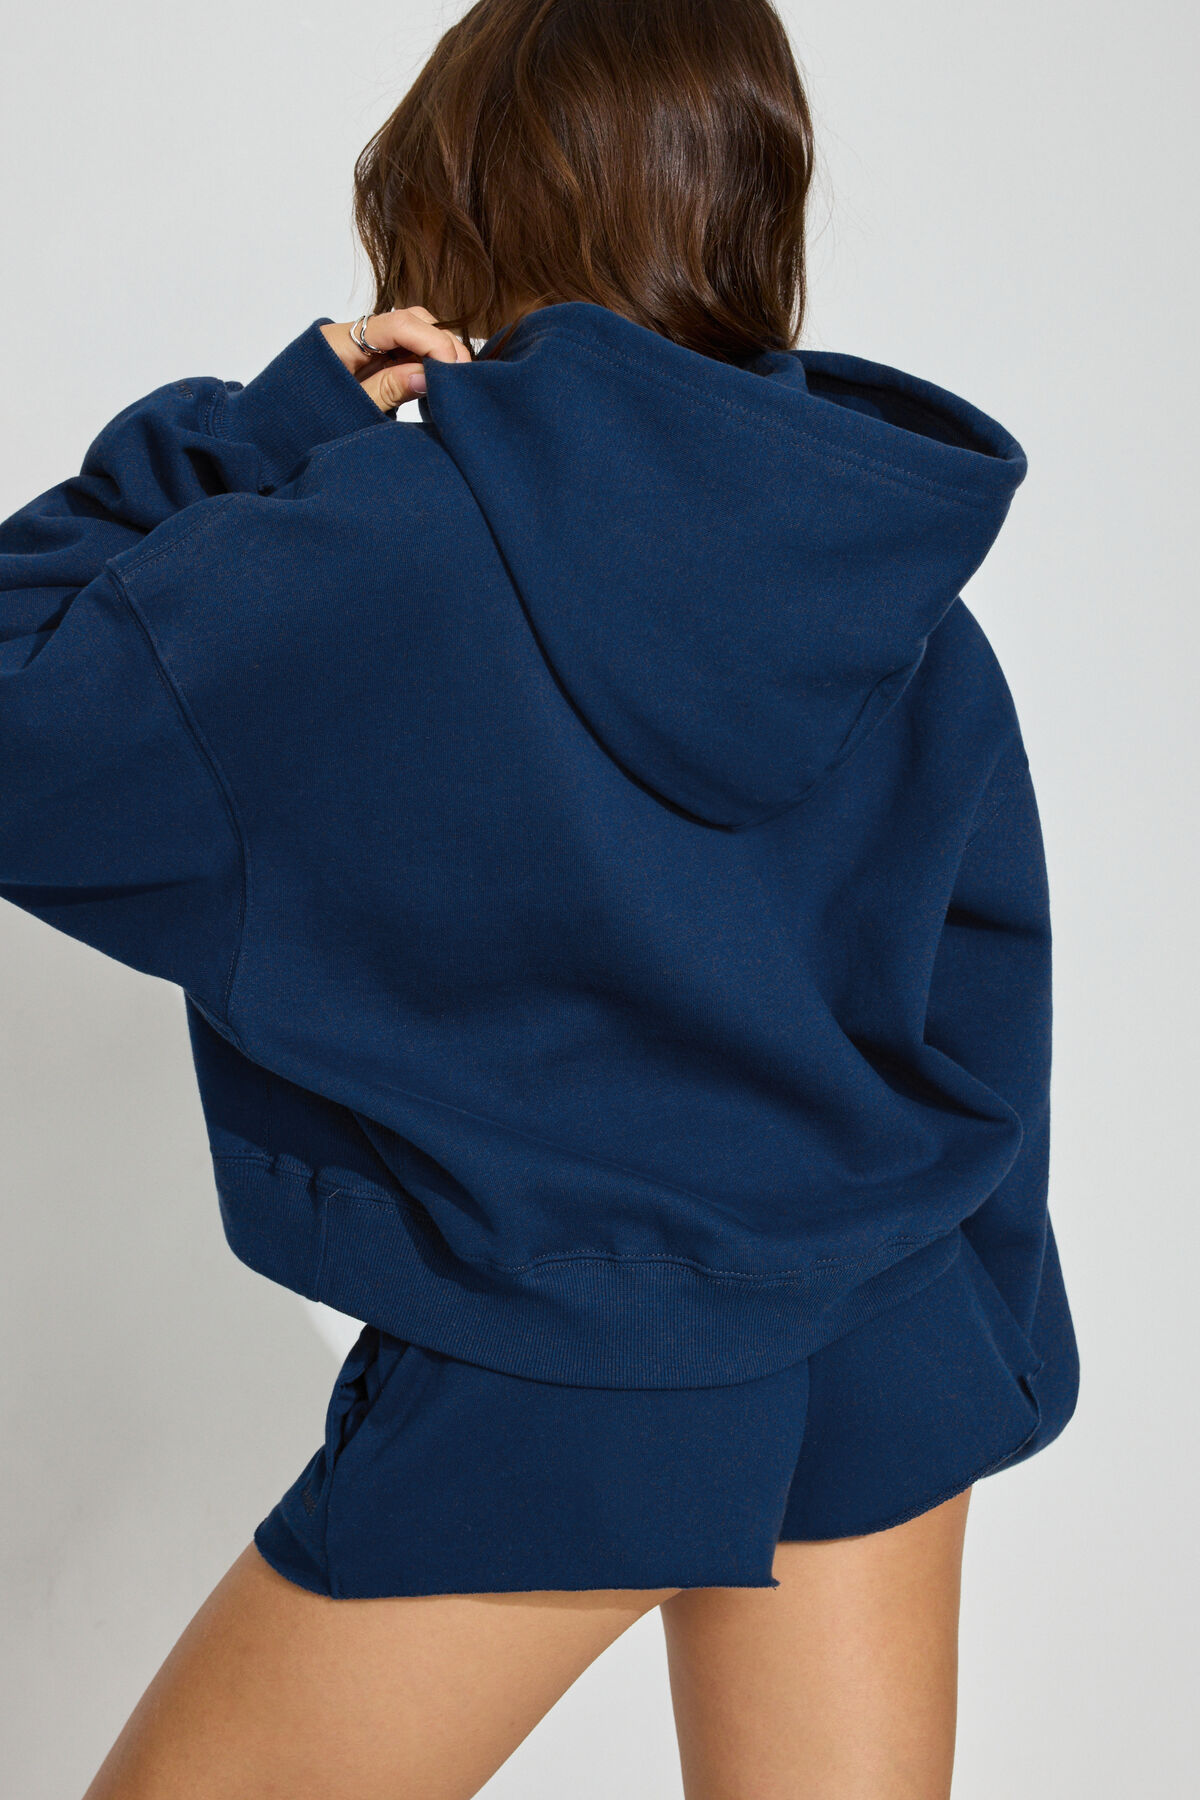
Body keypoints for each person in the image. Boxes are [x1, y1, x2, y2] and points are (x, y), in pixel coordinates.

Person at [0, 2, 1079, 1795]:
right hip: (896, 1328)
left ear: (465, 206)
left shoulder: (390, 544)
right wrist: (978, 1332)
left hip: (576, 1358)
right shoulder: (895, 578)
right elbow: (984, 1001)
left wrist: (261, 431)